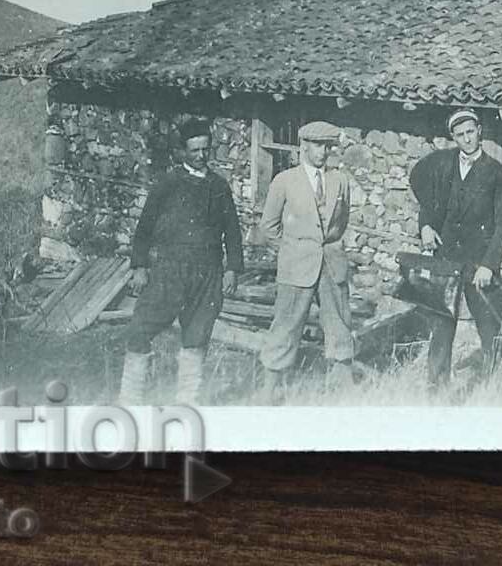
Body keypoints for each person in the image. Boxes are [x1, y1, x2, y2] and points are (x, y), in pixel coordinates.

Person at [118, 118, 243, 405]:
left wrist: (232, 269)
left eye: (205, 150)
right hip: (169, 270)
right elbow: (144, 227)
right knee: (140, 329)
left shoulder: (219, 186)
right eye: (195, 150)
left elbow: (233, 231)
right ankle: (129, 400)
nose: (201, 156)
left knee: (197, 335)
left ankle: (188, 403)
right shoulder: (168, 183)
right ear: (183, 152)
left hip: (207, 273)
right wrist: (139, 266)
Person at [409, 109, 502, 387]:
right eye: (460, 134)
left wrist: (489, 265)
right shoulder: (443, 166)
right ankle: (436, 388)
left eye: (470, 132)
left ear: (480, 130)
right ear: (453, 137)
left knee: (488, 326)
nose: (467, 139)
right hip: (447, 261)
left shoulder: (497, 173)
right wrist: (426, 226)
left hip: (479, 264)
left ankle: (496, 385)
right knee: (442, 327)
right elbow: (429, 200)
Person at [258, 121, 354, 400]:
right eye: (317, 145)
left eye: (327, 146)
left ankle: (343, 381)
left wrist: (329, 248)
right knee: (286, 323)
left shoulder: (340, 180)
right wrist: (294, 250)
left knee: (339, 322)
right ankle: (271, 385)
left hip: (331, 264)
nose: (323, 151)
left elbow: (341, 222)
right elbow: (269, 227)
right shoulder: (285, 181)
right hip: (296, 266)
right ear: (304, 146)